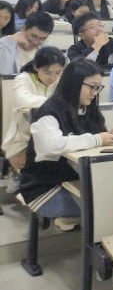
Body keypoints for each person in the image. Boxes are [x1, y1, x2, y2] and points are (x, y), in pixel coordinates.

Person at [19, 59, 113, 230]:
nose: (95, 93)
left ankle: (97, 239)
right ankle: (94, 243)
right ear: (74, 83)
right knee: (110, 207)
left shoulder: (89, 109)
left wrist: (110, 138)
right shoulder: (49, 111)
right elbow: (52, 145)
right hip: (44, 188)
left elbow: (93, 142)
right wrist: (97, 139)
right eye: (91, 87)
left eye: (98, 87)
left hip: (77, 181)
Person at [3, 47, 66, 189]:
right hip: (22, 141)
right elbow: (22, 99)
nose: (53, 78)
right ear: (37, 67)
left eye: (58, 72)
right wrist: (55, 103)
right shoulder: (23, 79)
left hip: (51, 138)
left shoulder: (60, 80)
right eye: (47, 72)